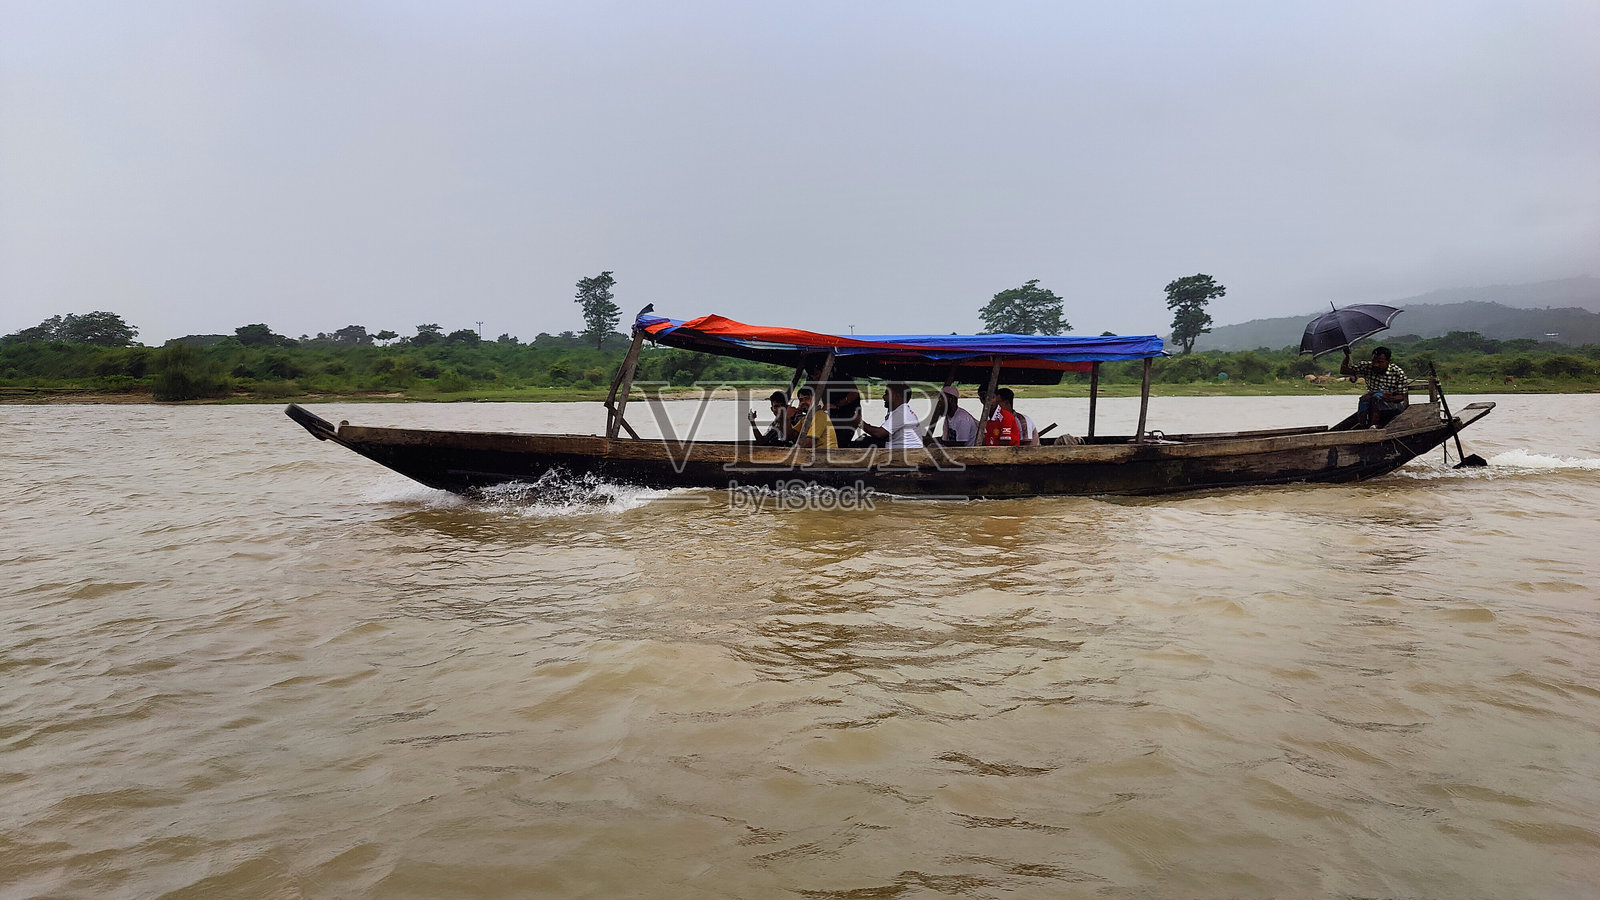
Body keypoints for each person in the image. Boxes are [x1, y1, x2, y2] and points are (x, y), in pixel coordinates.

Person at [1340, 346, 1410, 427]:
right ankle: (1364, 425)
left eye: (1380, 362)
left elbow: (1403, 397)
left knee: (1376, 397)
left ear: (1388, 362)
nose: (1375, 364)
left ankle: (1374, 426)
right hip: (1372, 402)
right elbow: (1343, 370)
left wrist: (1391, 398)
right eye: (1374, 361)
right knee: (1365, 399)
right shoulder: (1367, 367)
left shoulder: (1398, 373)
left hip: (1393, 406)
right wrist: (1347, 357)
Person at [854, 382, 924, 449]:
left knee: (859, 444)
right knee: (864, 441)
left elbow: (879, 433)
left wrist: (860, 422)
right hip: (901, 450)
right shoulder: (902, 411)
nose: (883, 397)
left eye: (886, 393)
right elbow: (884, 434)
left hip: (903, 453)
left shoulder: (901, 413)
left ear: (896, 396)